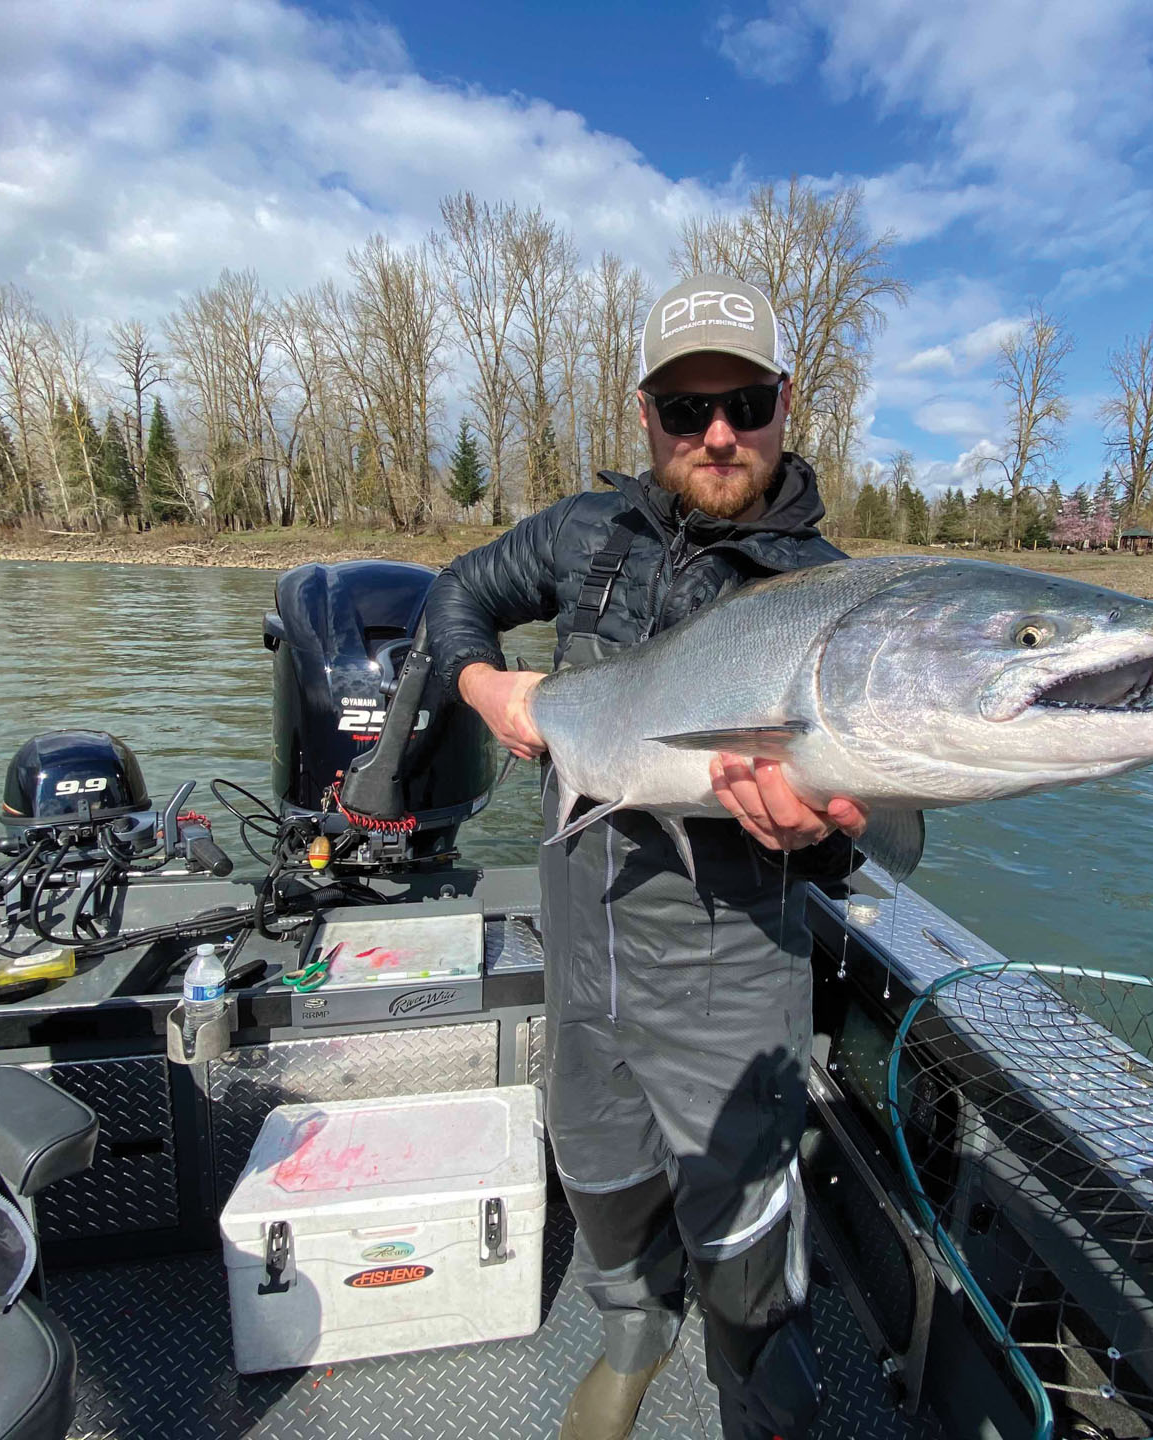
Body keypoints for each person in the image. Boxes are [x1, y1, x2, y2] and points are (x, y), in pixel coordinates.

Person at [422, 274, 873, 1440]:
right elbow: (456, 595)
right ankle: (632, 1329)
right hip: (579, 948)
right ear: (646, 416)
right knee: (601, 1175)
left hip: (725, 977)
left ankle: (762, 1389)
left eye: (744, 402)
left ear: (786, 403)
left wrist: (821, 832)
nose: (716, 433)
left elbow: (894, 834)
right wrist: (487, 687)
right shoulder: (584, 533)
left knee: (743, 1235)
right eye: (686, 410)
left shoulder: (822, 595)